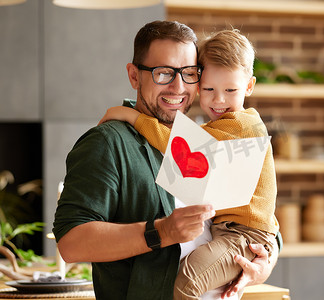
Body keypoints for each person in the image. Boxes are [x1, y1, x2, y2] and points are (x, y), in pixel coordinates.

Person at [53, 21, 278, 300]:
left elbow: (257, 218)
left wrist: (263, 263)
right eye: (163, 73)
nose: (178, 86)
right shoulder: (108, 143)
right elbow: (71, 243)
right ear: (134, 76)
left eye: (189, 73)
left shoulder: (206, 141)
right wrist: (162, 232)